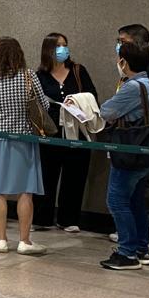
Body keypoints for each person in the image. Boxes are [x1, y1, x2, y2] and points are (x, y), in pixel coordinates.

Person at [0, 37, 51, 255]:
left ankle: (1, 239)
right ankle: (24, 241)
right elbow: (43, 105)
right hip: (23, 139)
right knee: (25, 192)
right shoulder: (28, 76)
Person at [99, 42, 149, 270]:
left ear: (124, 62)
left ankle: (126, 253)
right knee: (135, 201)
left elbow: (107, 111)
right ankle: (141, 248)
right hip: (144, 151)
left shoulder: (133, 86)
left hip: (128, 152)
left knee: (116, 200)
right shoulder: (148, 83)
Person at [33, 33, 97, 232]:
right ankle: (41, 218)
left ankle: (68, 219)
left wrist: (76, 101)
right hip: (49, 132)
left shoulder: (78, 71)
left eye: (65, 45)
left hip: (77, 132)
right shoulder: (39, 75)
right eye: (58, 45)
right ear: (48, 50)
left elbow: (92, 96)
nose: (63, 49)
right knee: (46, 175)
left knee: (75, 176)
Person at [115, 24, 149, 246]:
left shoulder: (143, 76)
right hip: (141, 137)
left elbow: (109, 111)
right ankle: (140, 240)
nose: (118, 46)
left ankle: (132, 242)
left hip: (139, 138)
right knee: (137, 190)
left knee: (125, 195)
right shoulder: (136, 75)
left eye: (122, 41)